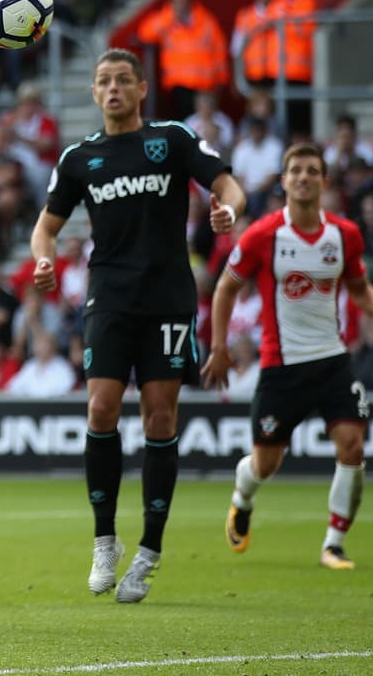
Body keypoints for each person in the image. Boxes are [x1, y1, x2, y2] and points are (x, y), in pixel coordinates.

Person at [30, 47, 246, 603]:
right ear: (95, 92)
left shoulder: (171, 139)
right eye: (104, 81)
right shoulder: (81, 158)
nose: (113, 89)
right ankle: (106, 541)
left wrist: (229, 210)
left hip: (169, 298)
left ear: (141, 88)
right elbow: (45, 227)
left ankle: (149, 550)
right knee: (101, 407)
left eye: (123, 80)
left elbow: (226, 184)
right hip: (110, 297)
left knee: (159, 415)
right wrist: (45, 258)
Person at [202, 142, 373, 570]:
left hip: (333, 360)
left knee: (352, 447)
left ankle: (333, 543)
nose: (303, 177)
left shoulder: (344, 234)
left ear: (324, 181)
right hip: (282, 366)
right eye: (295, 170)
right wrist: (220, 347)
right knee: (266, 463)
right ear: (283, 180)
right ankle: (242, 498)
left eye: (312, 170)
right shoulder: (264, 234)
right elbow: (224, 287)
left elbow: (357, 285)